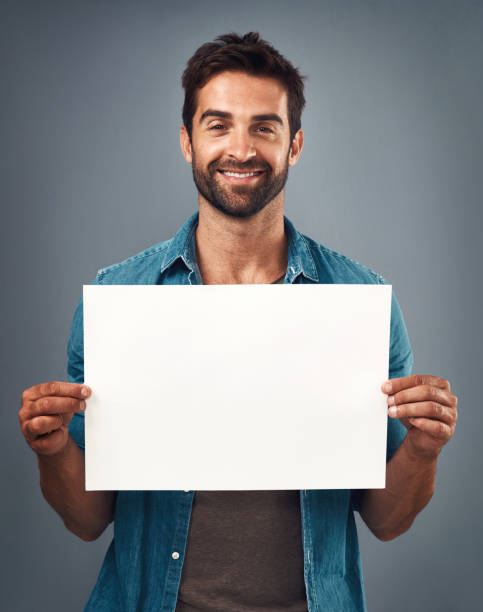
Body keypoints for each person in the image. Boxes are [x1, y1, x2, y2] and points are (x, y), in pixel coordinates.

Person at [19, 32, 458, 612]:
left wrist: (423, 450)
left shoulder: (360, 301)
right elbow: (86, 521)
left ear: (294, 145)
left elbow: (388, 521)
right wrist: (52, 451)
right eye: (218, 124)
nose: (241, 149)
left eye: (264, 127)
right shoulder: (119, 298)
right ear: (187, 141)